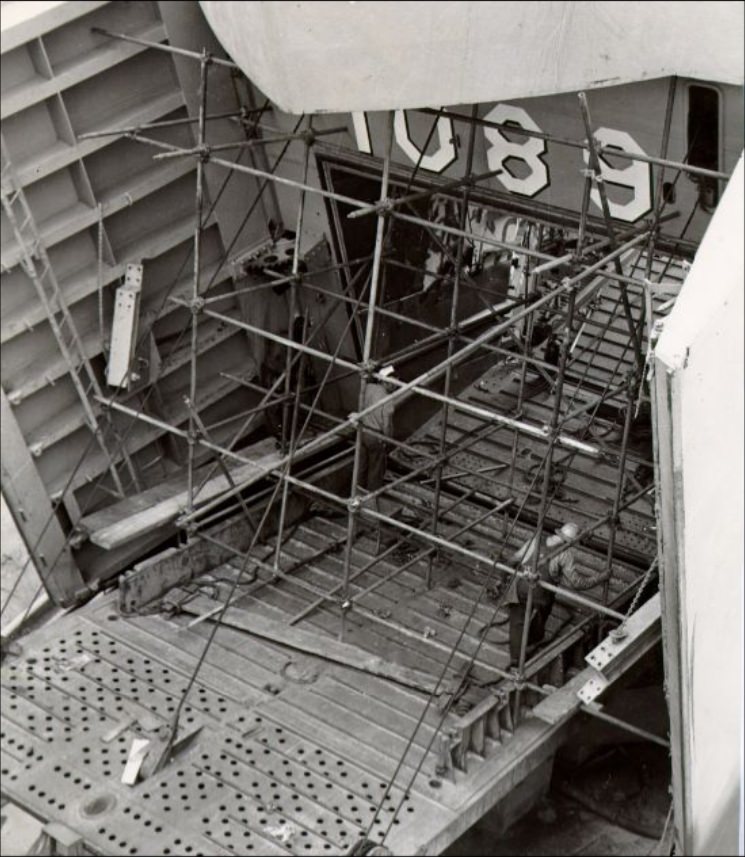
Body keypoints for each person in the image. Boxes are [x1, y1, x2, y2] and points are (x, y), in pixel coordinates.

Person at [506, 521, 608, 667]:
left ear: (559, 533)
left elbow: (515, 559)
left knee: (517, 622)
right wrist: (601, 577)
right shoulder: (565, 554)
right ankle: (533, 639)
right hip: (540, 595)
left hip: (520, 586)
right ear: (571, 542)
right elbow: (577, 583)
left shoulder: (535, 540)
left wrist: (503, 578)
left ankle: (516, 658)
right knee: (543, 609)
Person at [357, 366, 396, 494]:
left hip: (361, 431)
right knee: (376, 466)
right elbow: (387, 425)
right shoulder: (387, 399)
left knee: (362, 463)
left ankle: (358, 490)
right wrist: (387, 440)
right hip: (375, 435)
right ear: (383, 382)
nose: (394, 386)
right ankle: (371, 495)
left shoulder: (368, 388)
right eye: (391, 383)